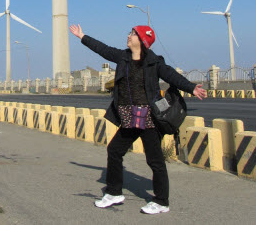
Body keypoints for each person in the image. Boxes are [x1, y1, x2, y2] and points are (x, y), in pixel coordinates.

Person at [69, 23, 207, 215]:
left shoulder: (154, 62)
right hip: (129, 117)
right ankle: (114, 192)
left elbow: (172, 76)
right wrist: (82, 36)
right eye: (130, 33)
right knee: (114, 150)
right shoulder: (122, 57)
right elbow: (102, 49)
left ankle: (161, 201)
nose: (129, 36)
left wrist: (192, 88)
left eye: (133, 34)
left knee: (155, 160)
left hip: (149, 118)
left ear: (142, 40)